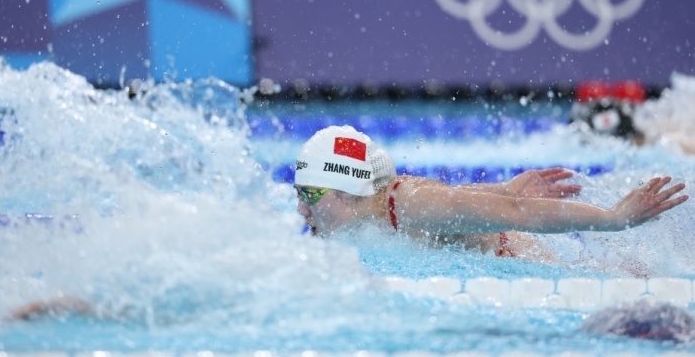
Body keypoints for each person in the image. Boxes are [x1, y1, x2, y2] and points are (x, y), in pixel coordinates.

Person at [294, 125, 688, 258]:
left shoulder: (409, 204)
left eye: (309, 195)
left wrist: (613, 219)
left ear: (345, 190)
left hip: (531, 263)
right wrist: (499, 188)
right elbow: (452, 205)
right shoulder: (385, 208)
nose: (300, 210)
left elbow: (516, 212)